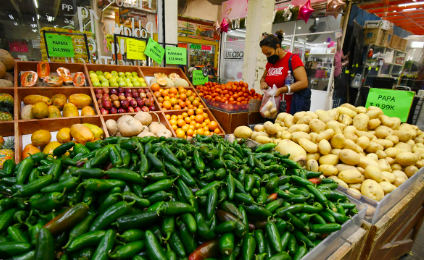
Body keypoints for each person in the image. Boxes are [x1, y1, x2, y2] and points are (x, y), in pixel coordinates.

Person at [259, 30, 310, 115]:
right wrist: (262, 82)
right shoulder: (270, 63)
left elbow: (304, 83)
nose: (268, 57)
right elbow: (263, 77)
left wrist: (282, 90)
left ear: (278, 47)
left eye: (269, 53)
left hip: (288, 110)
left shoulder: (293, 59)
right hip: (271, 109)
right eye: (266, 55)